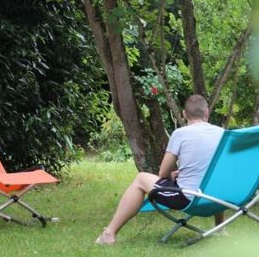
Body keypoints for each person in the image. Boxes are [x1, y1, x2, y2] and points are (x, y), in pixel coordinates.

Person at [95, 94, 224, 246]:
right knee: (216, 178)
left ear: (184, 114)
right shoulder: (223, 133)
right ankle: (221, 229)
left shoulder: (180, 134)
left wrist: (171, 175)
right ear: (207, 112)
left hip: (189, 199)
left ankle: (109, 233)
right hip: (219, 197)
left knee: (141, 178)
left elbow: (163, 173)